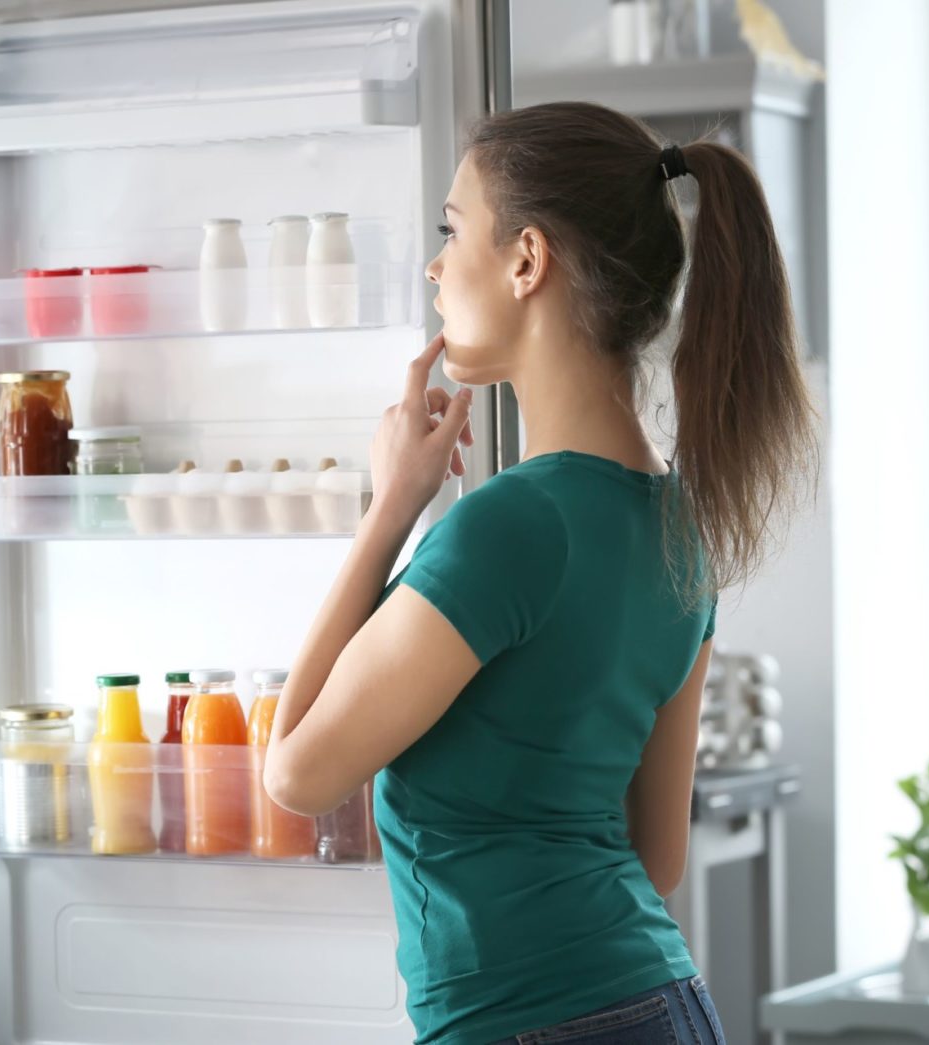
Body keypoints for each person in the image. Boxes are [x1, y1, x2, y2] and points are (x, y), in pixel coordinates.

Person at [262, 101, 817, 1045]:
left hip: (534, 1023)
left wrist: (392, 505)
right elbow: (656, 853)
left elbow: (297, 772)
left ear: (526, 260)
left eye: (451, 230)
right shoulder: (685, 528)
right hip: (668, 1007)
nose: (436, 267)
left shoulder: (510, 528)